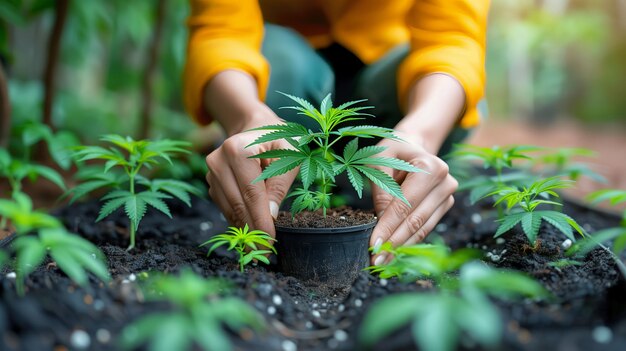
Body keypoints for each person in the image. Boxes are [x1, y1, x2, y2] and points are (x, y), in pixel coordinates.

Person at [183, 0, 490, 265]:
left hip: (389, 76)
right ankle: (278, 172)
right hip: (284, 73)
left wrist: (420, 133)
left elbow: (453, 38)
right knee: (282, 63)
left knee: (448, 91)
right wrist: (247, 117)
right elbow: (220, 31)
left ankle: (366, 177)